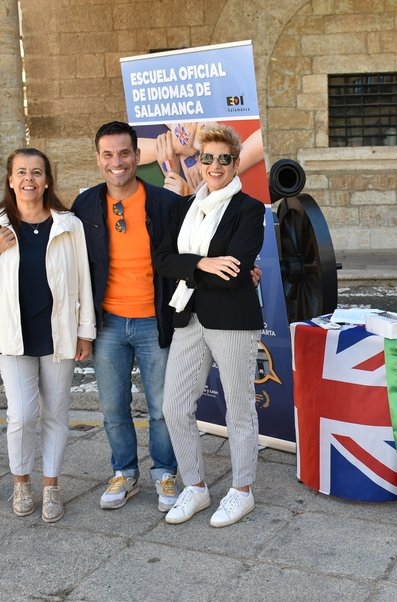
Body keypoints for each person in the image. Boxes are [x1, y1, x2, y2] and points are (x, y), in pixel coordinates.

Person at [0, 148, 95, 522]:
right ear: (10, 179)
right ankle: (22, 483)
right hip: (14, 335)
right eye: (21, 172)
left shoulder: (69, 225)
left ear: (47, 179)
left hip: (59, 334)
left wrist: (86, 332)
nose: (28, 179)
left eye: (36, 172)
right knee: (21, 415)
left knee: (56, 414)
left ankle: (51, 486)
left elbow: (83, 281)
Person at [155, 124, 265, 528]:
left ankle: (242, 491)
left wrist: (192, 267)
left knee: (238, 409)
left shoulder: (248, 209)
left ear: (236, 164)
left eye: (223, 158)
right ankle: (196, 487)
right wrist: (202, 263)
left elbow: (235, 274)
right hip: (189, 315)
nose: (214, 165)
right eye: (207, 158)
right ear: (197, 162)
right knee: (174, 406)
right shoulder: (184, 208)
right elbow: (162, 259)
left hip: (232, 320)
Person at [71, 121, 183, 512]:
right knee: (113, 407)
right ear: (98, 159)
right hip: (109, 324)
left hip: (156, 321)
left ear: (138, 156)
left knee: (162, 407)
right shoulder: (84, 206)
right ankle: (124, 473)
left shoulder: (165, 203)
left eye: (124, 153)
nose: (116, 162)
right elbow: (74, 266)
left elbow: (192, 249)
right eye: (108, 154)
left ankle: (165, 473)